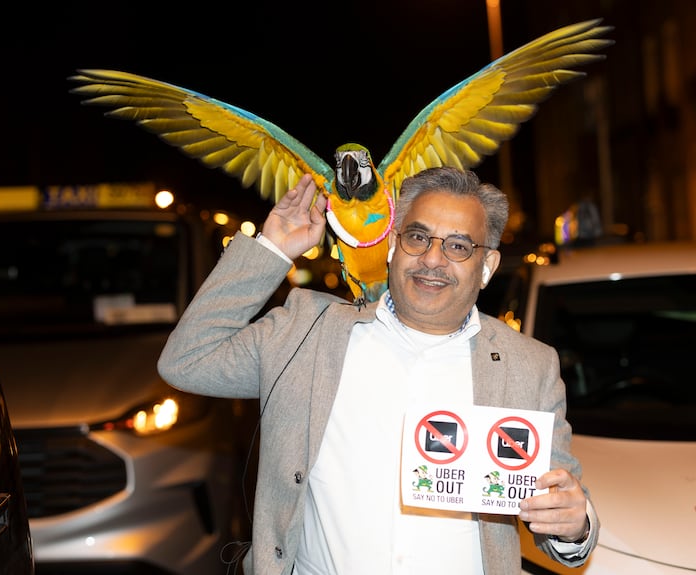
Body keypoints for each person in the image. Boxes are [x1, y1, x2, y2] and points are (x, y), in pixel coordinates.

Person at [158, 167, 598, 574]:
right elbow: (187, 361)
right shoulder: (307, 331)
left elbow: (555, 517)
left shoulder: (531, 367)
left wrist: (573, 525)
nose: (432, 259)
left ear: (487, 267)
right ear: (391, 245)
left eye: (459, 246)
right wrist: (271, 250)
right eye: (418, 237)